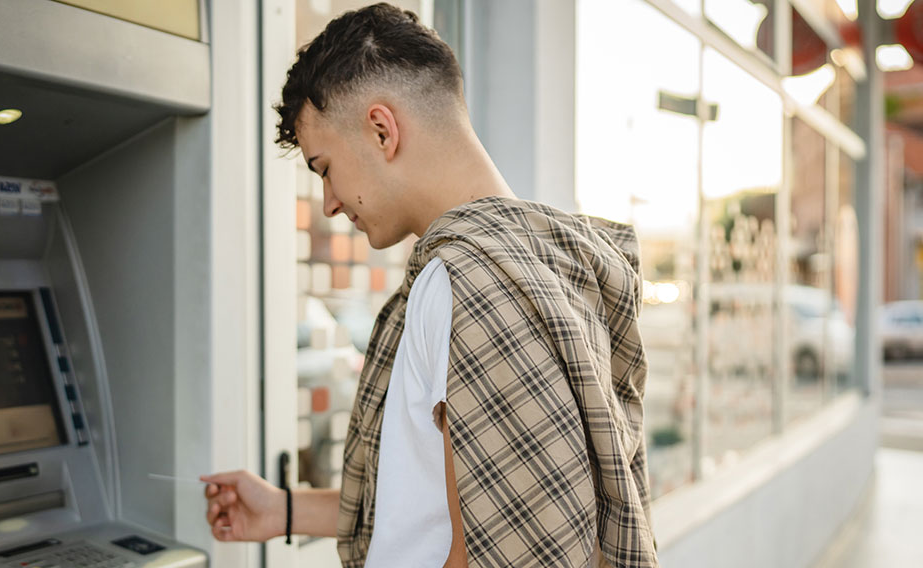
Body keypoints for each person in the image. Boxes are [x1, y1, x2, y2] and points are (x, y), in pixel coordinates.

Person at [202, 4, 658, 567]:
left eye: (324, 169)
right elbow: (437, 507)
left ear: (380, 130)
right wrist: (283, 509)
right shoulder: (538, 258)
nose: (330, 201)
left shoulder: (462, 281)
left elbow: (501, 553)